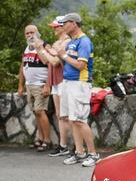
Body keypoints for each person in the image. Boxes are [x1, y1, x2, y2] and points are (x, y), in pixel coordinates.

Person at [53, 13, 100, 167]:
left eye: (65, 23)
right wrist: (58, 54)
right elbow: (65, 61)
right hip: (68, 82)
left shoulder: (84, 41)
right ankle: (79, 153)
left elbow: (81, 65)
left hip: (80, 84)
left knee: (80, 120)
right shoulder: (72, 41)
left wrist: (63, 55)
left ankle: (93, 154)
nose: (63, 26)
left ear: (74, 23)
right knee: (73, 120)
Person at [34, 16, 72, 157]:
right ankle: (63, 145)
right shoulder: (56, 43)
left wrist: (45, 50)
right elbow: (46, 61)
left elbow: (55, 62)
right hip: (55, 81)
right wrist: (40, 49)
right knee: (59, 115)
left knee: (65, 115)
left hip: (63, 80)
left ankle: (68, 146)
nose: (54, 29)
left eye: (56, 27)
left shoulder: (67, 42)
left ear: (63, 27)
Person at [18, 25, 52, 152]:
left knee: (40, 111)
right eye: (27, 33)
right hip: (29, 84)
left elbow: (51, 65)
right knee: (35, 112)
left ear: (38, 33)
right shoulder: (26, 48)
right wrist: (20, 85)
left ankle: (48, 140)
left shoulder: (44, 45)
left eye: (32, 32)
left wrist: (48, 85)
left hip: (40, 84)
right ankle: (40, 138)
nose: (30, 35)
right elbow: (23, 67)